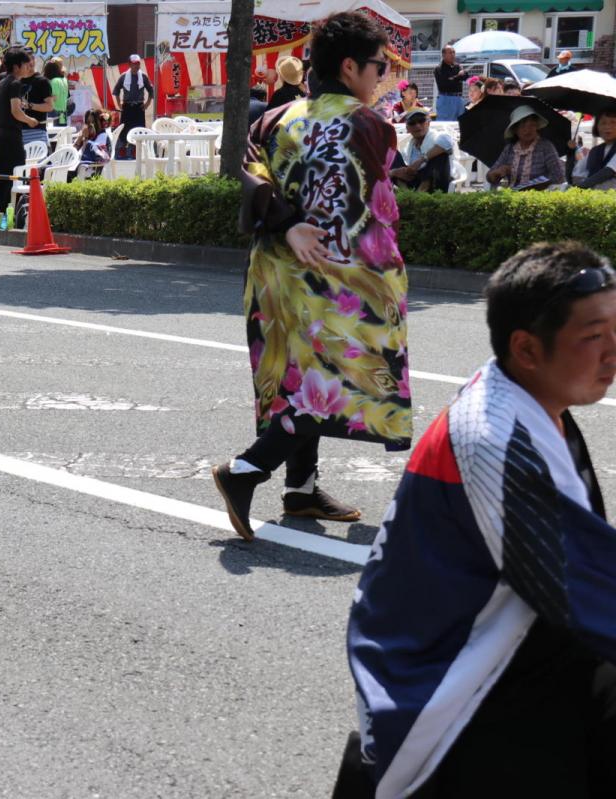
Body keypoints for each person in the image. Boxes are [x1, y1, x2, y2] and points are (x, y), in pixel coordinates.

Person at [338, 241, 616, 798]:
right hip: (449, 701)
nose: (613, 351)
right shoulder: (497, 440)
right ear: (527, 349)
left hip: (503, 658)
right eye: (594, 337)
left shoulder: (524, 400)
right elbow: (589, 591)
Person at [214, 11, 411, 539]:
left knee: (297, 381)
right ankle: (245, 470)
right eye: (378, 65)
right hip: (337, 278)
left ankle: (301, 491)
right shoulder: (370, 126)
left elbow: (244, 168)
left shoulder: (274, 119)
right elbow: (376, 215)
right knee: (339, 382)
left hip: (273, 274)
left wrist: (288, 222)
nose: (382, 76)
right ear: (349, 67)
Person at [0, 46, 38, 229]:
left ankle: (0, 220)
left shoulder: (0, 83)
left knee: (1, 180)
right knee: (15, 179)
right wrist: (30, 120)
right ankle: (11, 221)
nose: (29, 66)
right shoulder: (15, 84)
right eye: (26, 63)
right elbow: (16, 111)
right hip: (12, 138)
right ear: (17, 66)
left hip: (0, 137)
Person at [486, 105, 566, 190]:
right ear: (515, 129)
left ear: (537, 127)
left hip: (538, 196)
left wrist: (540, 184)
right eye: (522, 126)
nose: (527, 130)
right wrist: (497, 172)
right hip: (512, 196)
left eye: (532, 125)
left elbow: (559, 176)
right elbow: (489, 176)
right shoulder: (509, 149)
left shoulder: (546, 147)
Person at [389, 109, 452, 192]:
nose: (418, 126)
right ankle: (407, 193)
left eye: (421, 121)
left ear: (428, 123)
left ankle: (420, 192)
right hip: (413, 181)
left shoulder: (436, 136)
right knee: (393, 154)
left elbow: (447, 142)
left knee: (440, 155)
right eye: (412, 123)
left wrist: (421, 160)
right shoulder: (409, 146)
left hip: (434, 185)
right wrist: (395, 172)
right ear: (407, 128)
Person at [113, 54, 154, 156]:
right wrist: (119, 104)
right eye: (134, 64)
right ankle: (122, 150)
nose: (136, 66)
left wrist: (148, 103)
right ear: (129, 64)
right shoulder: (123, 76)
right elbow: (116, 90)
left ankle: (137, 150)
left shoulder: (143, 76)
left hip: (139, 107)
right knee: (124, 129)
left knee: (139, 129)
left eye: (138, 64)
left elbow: (151, 91)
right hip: (127, 107)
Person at [571, 108, 616, 190]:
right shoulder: (595, 150)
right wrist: (570, 152)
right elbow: (576, 174)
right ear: (597, 126)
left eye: (613, 122)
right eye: (603, 123)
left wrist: (579, 188)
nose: (608, 127)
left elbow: (609, 171)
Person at [21, 56, 55, 147]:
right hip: (17, 132)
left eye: (31, 59)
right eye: (26, 60)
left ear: (34, 61)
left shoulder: (42, 81)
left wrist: (30, 106)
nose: (29, 63)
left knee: (37, 160)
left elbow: (49, 106)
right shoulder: (17, 81)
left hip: (36, 131)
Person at [73, 109, 112, 179]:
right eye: (88, 123)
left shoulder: (102, 136)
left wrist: (86, 140)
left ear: (99, 123)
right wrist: (80, 138)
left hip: (92, 169)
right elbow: (72, 153)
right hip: (79, 166)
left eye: (93, 122)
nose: (90, 125)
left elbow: (92, 155)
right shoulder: (86, 134)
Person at [433, 45, 468, 122]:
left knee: (460, 125)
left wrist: (460, 75)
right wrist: (458, 76)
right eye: (450, 53)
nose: (453, 54)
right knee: (445, 124)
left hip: (459, 99)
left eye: (453, 52)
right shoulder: (439, 68)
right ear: (443, 55)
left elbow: (465, 76)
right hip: (446, 99)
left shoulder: (457, 66)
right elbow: (446, 83)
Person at [45, 57, 69, 127]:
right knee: (62, 133)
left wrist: (44, 99)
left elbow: (54, 97)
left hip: (54, 111)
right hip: (63, 111)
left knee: (53, 135)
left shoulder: (54, 81)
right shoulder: (64, 79)